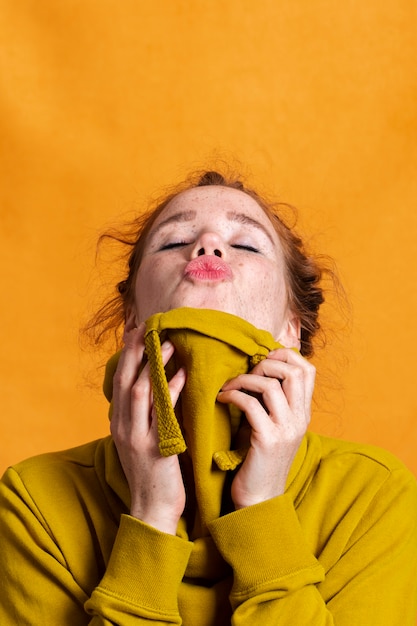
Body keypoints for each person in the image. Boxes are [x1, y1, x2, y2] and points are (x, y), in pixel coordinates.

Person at [0, 169, 416, 625]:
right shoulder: (35, 500)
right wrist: (152, 515)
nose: (209, 244)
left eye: (247, 244)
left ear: (291, 329)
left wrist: (261, 509)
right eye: (173, 240)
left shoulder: (371, 497)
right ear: (131, 320)